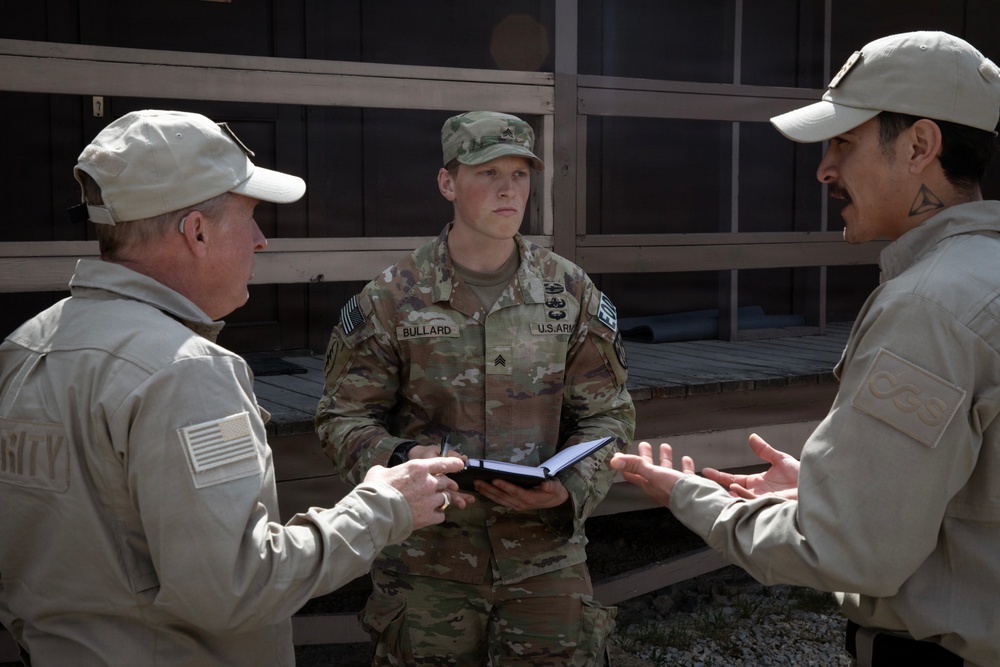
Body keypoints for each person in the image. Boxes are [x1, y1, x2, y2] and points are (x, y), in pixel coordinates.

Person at [0, 109, 473, 667]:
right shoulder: (185, 370)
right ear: (196, 232)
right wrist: (387, 505)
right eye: (248, 217)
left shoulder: (28, 345)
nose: (261, 240)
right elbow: (239, 586)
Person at [611, 30, 1000, 667]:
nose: (824, 168)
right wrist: (833, 485)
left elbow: (851, 552)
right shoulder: (979, 280)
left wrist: (689, 497)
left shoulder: (929, 307)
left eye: (844, 141)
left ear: (920, 146)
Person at [315, 110, 635, 665]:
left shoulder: (569, 290)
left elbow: (609, 417)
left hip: (544, 558)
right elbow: (341, 417)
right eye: (488, 173)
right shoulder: (393, 297)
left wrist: (571, 490)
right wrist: (399, 457)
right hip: (428, 562)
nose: (509, 189)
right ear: (447, 183)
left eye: (520, 174)